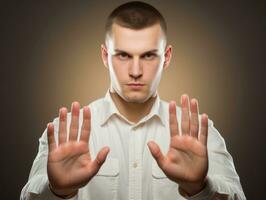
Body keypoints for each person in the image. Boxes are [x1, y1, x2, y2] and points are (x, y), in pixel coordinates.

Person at [20, 1, 246, 200]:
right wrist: (57, 191)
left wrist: (200, 188)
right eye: (123, 55)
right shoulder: (64, 131)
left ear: (166, 57)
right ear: (105, 56)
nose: (135, 71)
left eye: (148, 55)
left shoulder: (200, 133)